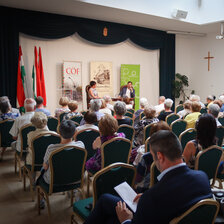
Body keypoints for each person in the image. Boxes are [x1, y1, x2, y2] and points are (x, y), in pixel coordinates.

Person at [84, 130, 212, 224]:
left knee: (110, 218)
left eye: (152, 154)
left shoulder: (153, 197)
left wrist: (126, 220)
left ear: (160, 157)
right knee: (106, 199)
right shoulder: (202, 177)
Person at [42, 120, 84, 184]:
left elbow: (45, 167)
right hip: (75, 178)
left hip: (54, 180)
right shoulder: (81, 145)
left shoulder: (51, 148)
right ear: (75, 132)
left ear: (59, 132)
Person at [134, 121, 170, 193]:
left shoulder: (146, 157)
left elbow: (137, 179)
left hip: (145, 192)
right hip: (166, 191)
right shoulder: (174, 155)